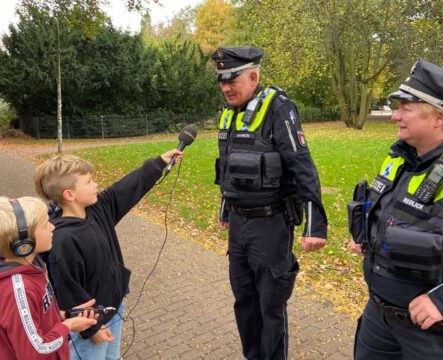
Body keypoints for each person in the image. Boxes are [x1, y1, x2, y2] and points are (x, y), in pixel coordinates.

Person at [348, 59, 443, 359]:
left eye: (405, 107)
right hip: (379, 318)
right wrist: (367, 238)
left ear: (439, 118)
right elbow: (401, 220)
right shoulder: (402, 160)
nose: (395, 116)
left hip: (437, 335)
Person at [211, 46, 328, 359]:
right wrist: (225, 208)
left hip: (270, 225)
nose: (225, 87)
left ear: (253, 76)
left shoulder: (278, 106)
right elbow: (228, 167)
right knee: (244, 301)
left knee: (270, 305)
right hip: (238, 225)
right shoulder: (229, 112)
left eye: (232, 79)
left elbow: (302, 164)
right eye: (221, 80)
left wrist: (315, 224)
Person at [34, 149, 182, 360]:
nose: (96, 184)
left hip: (114, 306)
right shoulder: (62, 239)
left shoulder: (98, 209)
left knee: (112, 357)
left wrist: (159, 163)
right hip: (90, 321)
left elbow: (126, 188)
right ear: (69, 194)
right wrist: (90, 329)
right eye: (88, 182)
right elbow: (67, 291)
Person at [0, 196, 97, 359]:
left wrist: (63, 316)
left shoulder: (33, 266)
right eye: (45, 225)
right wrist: (68, 326)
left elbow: (34, 315)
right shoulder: (18, 288)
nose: (52, 227)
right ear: (24, 244)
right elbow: (34, 350)